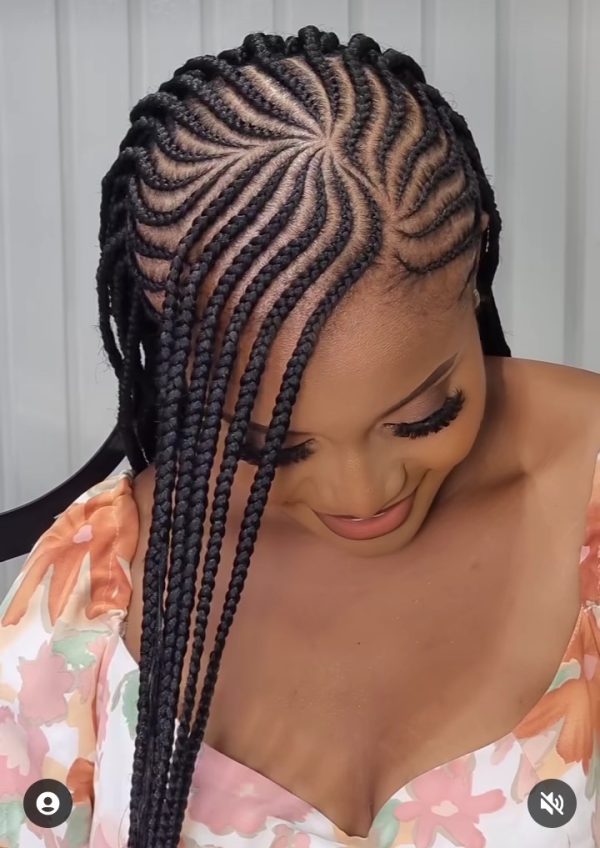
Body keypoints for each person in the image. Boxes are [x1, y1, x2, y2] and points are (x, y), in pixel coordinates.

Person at [1, 25, 599, 848]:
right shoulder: (93, 596)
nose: (362, 494)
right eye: (270, 445)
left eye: (422, 417)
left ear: (475, 264)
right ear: (178, 367)